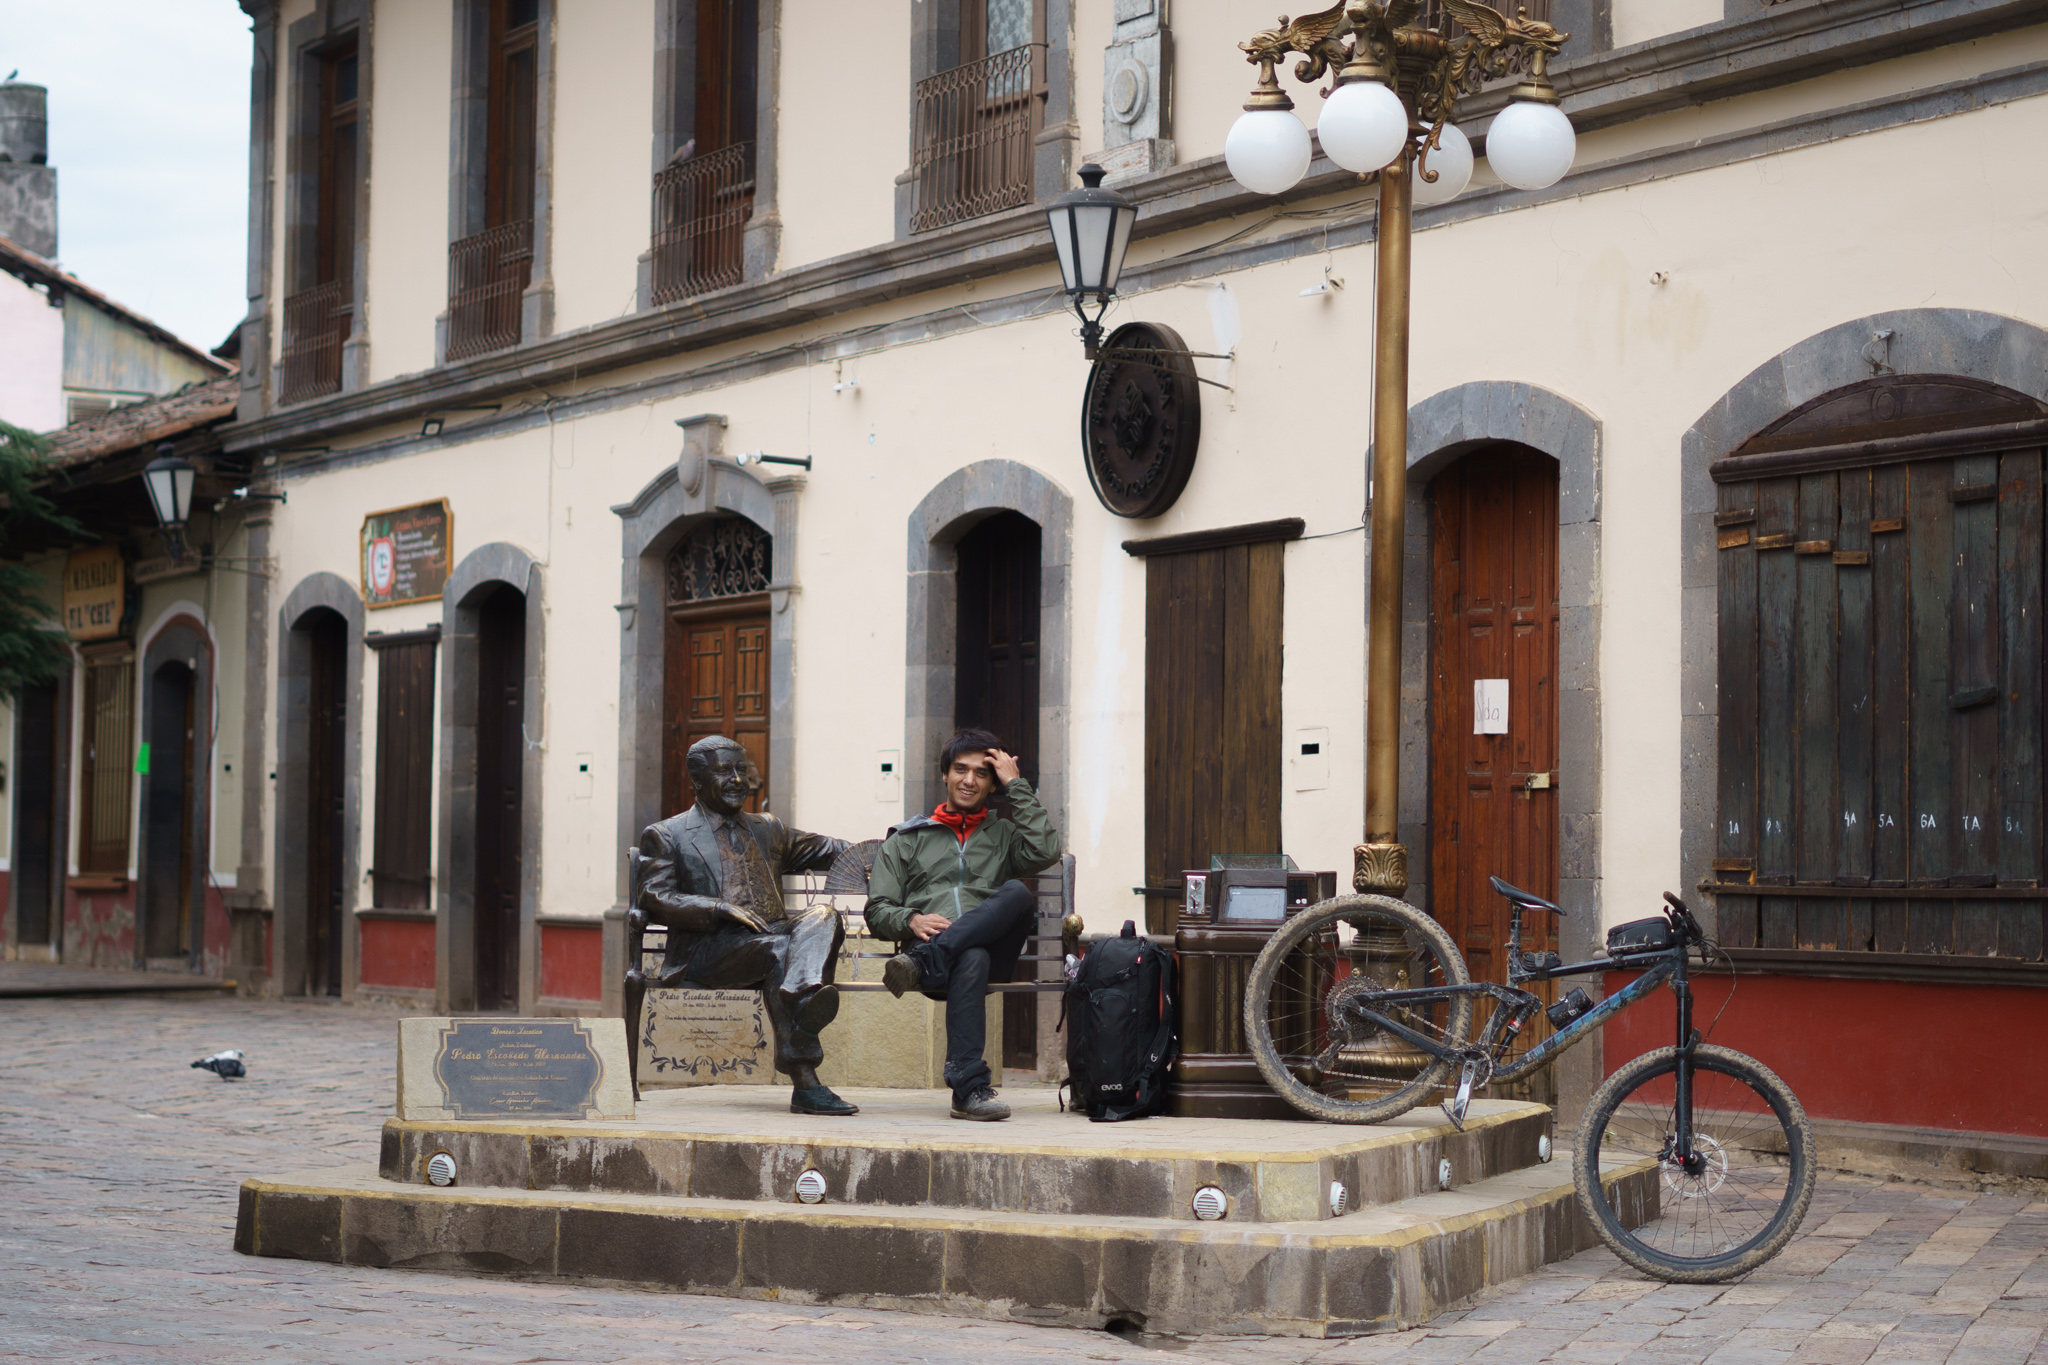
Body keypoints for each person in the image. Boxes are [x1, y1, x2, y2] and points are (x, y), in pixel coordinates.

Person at [630, 735, 858, 1116]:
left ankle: (800, 998)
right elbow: (655, 896)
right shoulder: (667, 834)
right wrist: (717, 907)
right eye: (724, 771)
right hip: (710, 949)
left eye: (742, 769)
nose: (738, 779)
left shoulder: (768, 827)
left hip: (770, 941)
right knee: (781, 950)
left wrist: (894, 850)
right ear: (697, 782)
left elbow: (831, 850)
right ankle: (805, 1078)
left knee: (824, 916)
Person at [864, 729, 1061, 1121]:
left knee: (1018, 894)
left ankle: (926, 959)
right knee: (971, 953)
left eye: (981, 773)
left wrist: (1017, 784)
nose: (969, 780)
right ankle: (969, 1090)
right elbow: (878, 910)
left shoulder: (1003, 835)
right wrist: (912, 918)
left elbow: (1045, 850)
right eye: (960, 769)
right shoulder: (906, 839)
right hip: (953, 965)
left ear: (992, 784)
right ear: (944, 775)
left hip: (968, 959)